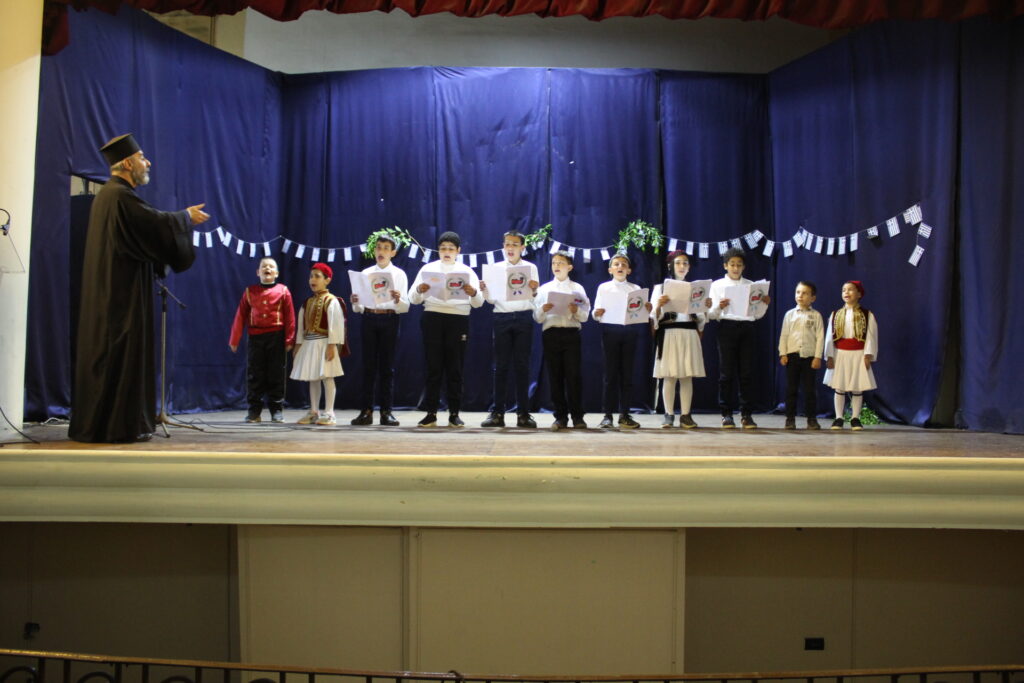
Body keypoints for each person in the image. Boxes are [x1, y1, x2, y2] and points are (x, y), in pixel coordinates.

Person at [69, 133, 209, 443]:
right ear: (128, 163)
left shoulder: (110, 196)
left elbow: (146, 227)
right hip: (121, 295)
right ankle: (117, 426)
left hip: (112, 290)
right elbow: (153, 224)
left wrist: (179, 219)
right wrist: (184, 217)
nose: (148, 163)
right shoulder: (120, 196)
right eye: (143, 158)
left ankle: (110, 424)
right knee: (121, 357)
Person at [408, 231, 484, 427]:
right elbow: (412, 298)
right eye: (443, 248)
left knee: (455, 368)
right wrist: (419, 290)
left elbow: (479, 303)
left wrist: (473, 292)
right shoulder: (428, 269)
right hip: (432, 317)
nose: (447, 252)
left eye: (451, 248)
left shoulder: (467, 271)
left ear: (458, 251)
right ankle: (431, 413)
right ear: (438, 250)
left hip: (458, 319)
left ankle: (454, 414)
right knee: (433, 367)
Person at [479, 230, 540, 428]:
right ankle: (498, 413)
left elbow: (535, 297)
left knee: (522, 366)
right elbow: (490, 300)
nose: (510, 248)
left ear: (522, 247)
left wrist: (535, 289)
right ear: (503, 246)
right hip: (502, 317)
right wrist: (484, 290)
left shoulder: (531, 268)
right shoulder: (496, 268)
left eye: (514, 244)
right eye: (507, 244)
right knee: (501, 367)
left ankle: (523, 414)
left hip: (523, 317)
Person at [707, 247, 771, 429]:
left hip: (747, 328)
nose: (735, 268)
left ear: (744, 267)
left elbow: (756, 315)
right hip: (726, 327)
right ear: (725, 266)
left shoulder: (751, 285)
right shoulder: (717, 285)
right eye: (732, 264)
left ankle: (746, 414)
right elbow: (710, 314)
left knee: (746, 373)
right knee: (726, 373)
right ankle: (726, 414)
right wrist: (719, 307)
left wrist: (764, 304)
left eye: (739, 265)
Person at [350, 234, 409, 427]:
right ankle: (366, 411)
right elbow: (358, 308)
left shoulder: (399, 274)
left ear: (393, 253)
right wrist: (355, 302)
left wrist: (398, 299)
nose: (381, 251)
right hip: (369, 318)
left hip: (389, 318)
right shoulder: (366, 273)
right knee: (368, 367)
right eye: (378, 247)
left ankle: (386, 412)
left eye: (386, 248)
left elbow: (405, 307)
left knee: (387, 368)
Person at [229, 257, 296, 424]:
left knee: (276, 373)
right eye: (264, 266)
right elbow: (240, 316)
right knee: (255, 374)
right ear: (258, 272)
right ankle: (254, 411)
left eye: (271, 266)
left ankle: (276, 410)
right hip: (255, 337)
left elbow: (290, 317)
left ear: (276, 273)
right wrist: (234, 339)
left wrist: (289, 339)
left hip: (276, 337)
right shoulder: (250, 291)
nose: (268, 268)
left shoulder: (283, 291)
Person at [650, 251, 711, 429]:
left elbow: (701, 318)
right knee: (669, 376)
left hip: (689, 333)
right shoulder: (660, 288)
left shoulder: (695, 288)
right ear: (670, 266)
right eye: (678, 263)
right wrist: (659, 305)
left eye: (685, 263)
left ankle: (686, 415)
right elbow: (653, 316)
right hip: (669, 333)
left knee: (686, 376)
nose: (682, 266)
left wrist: (706, 307)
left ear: (689, 267)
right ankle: (668, 414)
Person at [592, 253, 652, 429]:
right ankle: (607, 415)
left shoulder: (635, 288)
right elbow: (595, 312)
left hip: (629, 332)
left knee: (627, 375)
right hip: (610, 331)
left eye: (624, 264)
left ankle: (624, 414)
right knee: (610, 376)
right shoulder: (604, 288)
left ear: (629, 270)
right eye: (616, 264)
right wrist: (597, 313)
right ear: (610, 269)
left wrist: (647, 309)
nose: (620, 267)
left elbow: (641, 313)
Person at [534, 250, 590, 431]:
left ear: (570, 267)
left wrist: (576, 310)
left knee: (574, 377)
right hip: (551, 334)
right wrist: (543, 309)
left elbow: (585, 316)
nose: (556, 266)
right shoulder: (544, 289)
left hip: (571, 334)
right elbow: (537, 317)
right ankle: (560, 417)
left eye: (561, 263)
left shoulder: (577, 289)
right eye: (554, 263)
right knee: (555, 377)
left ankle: (578, 417)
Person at [291, 263, 347, 426]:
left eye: (317, 276)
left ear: (327, 280)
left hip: (324, 343)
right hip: (309, 343)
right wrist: (298, 344)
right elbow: (301, 325)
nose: (312, 280)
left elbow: (336, 324)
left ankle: (329, 412)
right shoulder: (307, 302)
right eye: (311, 276)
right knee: (313, 378)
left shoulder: (332, 301)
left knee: (327, 377)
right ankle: (314, 411)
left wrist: (332, 345)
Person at [823, 280, 878, 431]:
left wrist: (868, 355)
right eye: (843, 290)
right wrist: (829, 356)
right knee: (839, 386)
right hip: (840, 354)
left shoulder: (867, 315)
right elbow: (829, 337)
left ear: (859, 294)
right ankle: (839, 417)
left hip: (858, 354)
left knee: (857, 388)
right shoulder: (835, 314)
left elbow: (871, 336)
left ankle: (855, 418)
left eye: (850, 290)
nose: (846, 292)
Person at [778, 281, 825, 430]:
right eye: (798, 292)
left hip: (809, 358)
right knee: (791, 389)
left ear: (813, 298)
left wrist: (817, 357)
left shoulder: (816, 316)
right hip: (792, 356)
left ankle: (811, 419)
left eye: (805, 293)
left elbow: (820, 337)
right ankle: (790, 419)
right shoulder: (790, 314)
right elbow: (784, 335)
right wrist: (783, 353)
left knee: (810, 390)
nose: (800, 295)